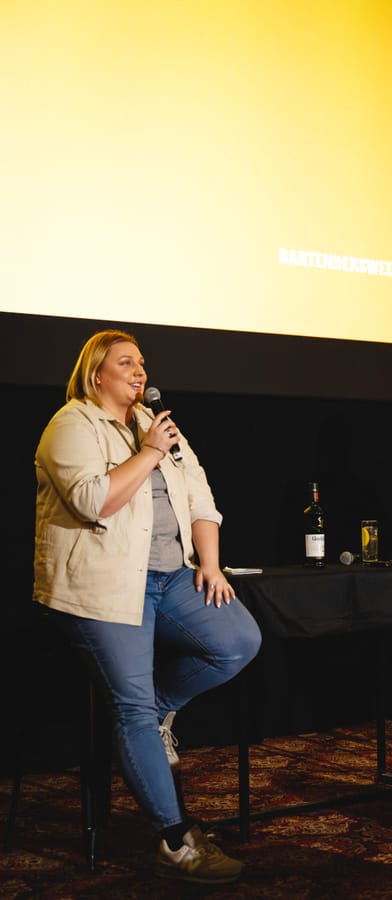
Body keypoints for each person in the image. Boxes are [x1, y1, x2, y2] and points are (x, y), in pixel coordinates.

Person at [33, 329, 262, 885]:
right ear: (97, 376)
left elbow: (201, 494)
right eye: (126, 364)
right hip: (106, 586)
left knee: (238, 641)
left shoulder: (154, 428)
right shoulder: (72, 425)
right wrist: (150, 453)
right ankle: (175, 840)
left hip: (171, 576)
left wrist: (208, 562)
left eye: (142, 364)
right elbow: (94, 499)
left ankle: (160, 709)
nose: (140, 373)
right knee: (128, 708)